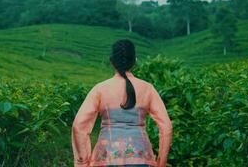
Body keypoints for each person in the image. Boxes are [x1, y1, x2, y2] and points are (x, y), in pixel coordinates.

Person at [71, 39, 173, 167]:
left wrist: (82, 161)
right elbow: (166, 127)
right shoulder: (147, 89)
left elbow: (79, 126)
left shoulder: (100, 89)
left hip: (106, 157)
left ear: (111, 61)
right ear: (134, 61)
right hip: (141, 158)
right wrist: (161, 163)